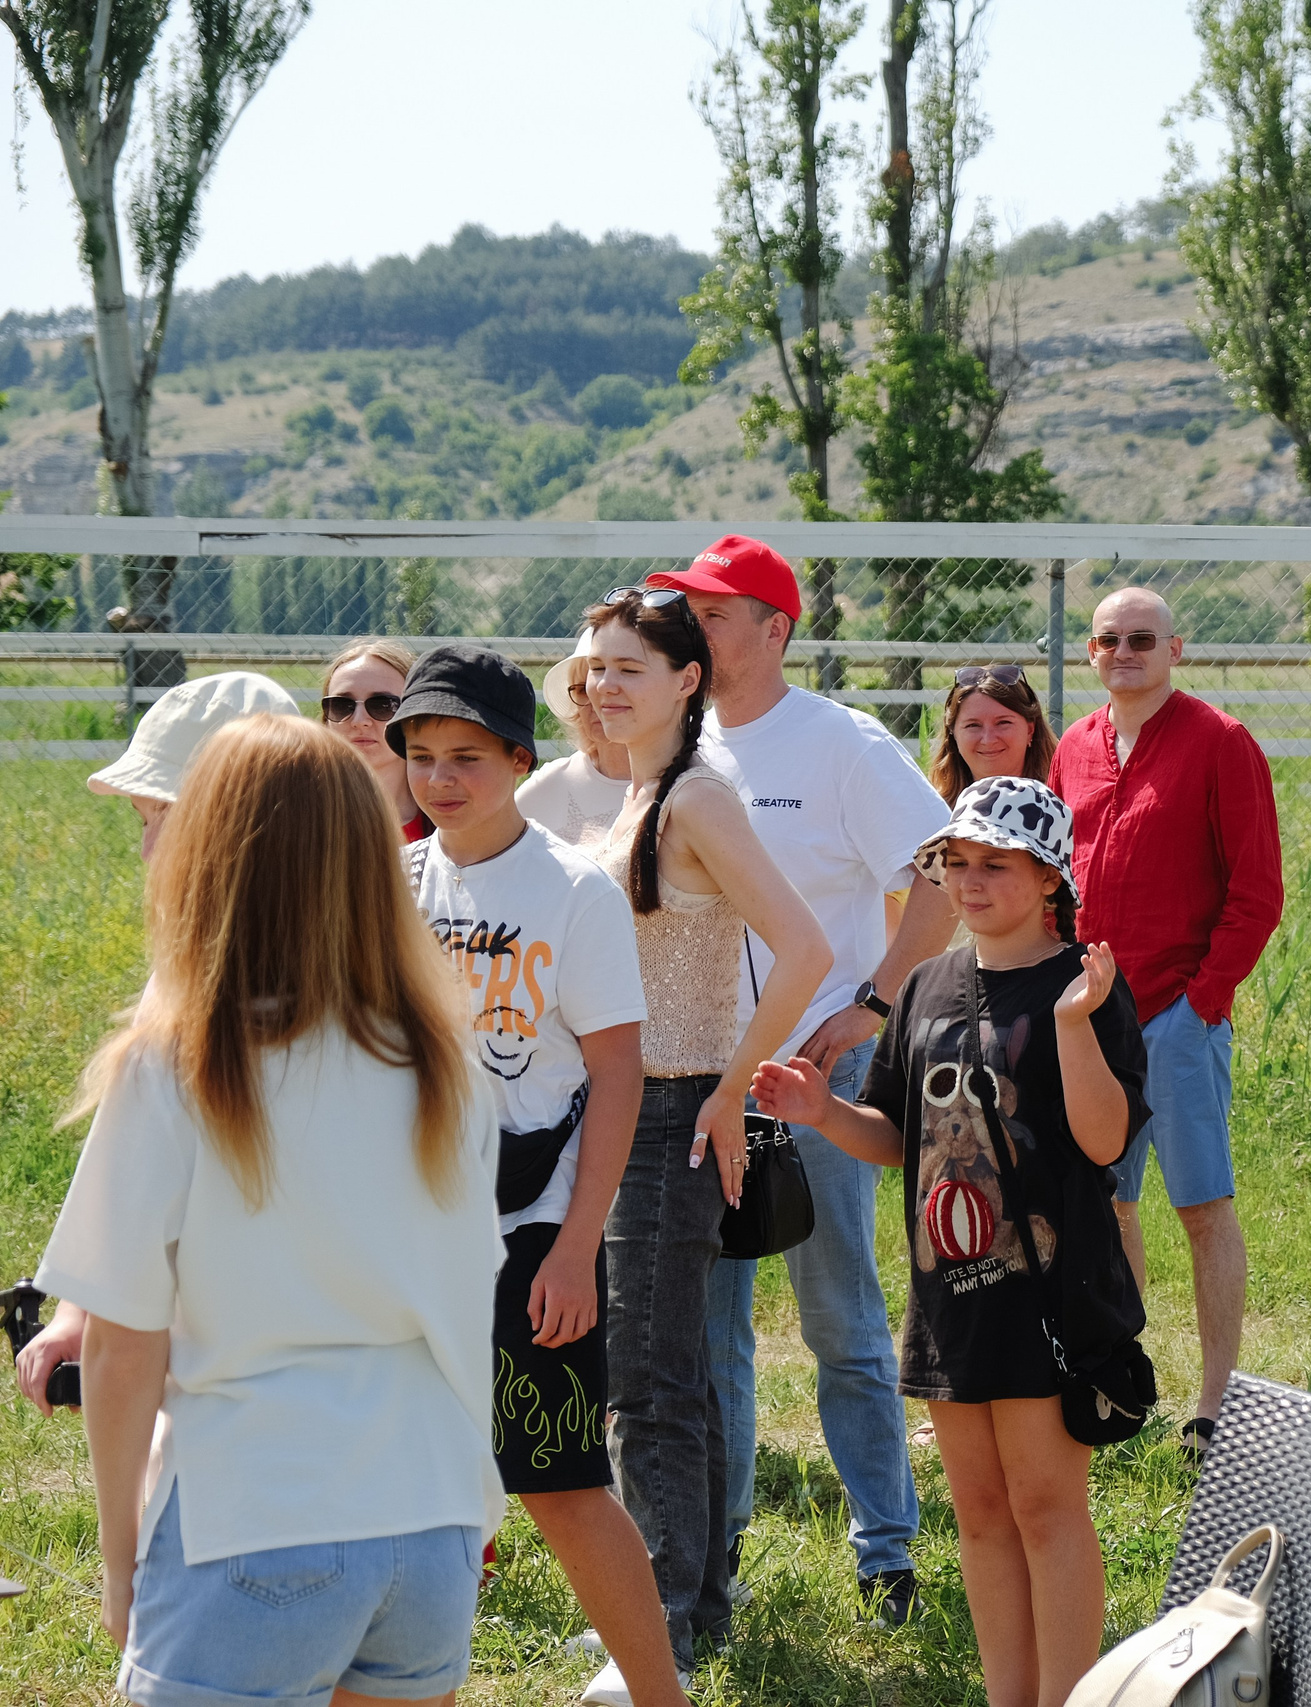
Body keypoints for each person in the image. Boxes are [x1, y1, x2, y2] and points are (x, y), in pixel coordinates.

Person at [36, 713, 506, 1707]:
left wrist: (121, 1559)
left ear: (209, 853)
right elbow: (471, 1294)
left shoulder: (172, 1067)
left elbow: (121, 1348)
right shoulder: (443, 1062)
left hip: (254, 1515)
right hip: (430, 1514)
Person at [752, 776, 1149, 1707]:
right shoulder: (929, 983)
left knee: (1047, 1508)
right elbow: (899, 1138)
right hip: (949, 1293)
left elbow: (1105, 1142)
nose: (969, 881)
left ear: (1050, 876)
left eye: (994, 864)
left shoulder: (1084, 985)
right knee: (977, 1512)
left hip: (1049, 1292)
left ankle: (1068, 1697)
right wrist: (823, 1111)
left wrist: (1073, 1025)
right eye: (955, 862)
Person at [644, 536, 955, 1624]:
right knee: (708, 1325)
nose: (695, 624)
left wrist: (866, 1007)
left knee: (838, 1316)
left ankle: (886, 1551)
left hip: (812, 1073)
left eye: (717, 611)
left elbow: (941, 881)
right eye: (686, 606)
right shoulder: (669, 742)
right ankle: (715, 1552)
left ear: (777, 629)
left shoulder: (840, 746)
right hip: (696, 1074)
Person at [390, 646, 688, 1707]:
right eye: (421, 755)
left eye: (466, 754)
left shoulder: (574, 893)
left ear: (520, 757)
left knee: (560, 1484)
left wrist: (575, 1245)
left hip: (530, 1230)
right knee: (410, 1485)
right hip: (407, 1226)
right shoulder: (390, 879)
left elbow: (617, 1072)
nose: (441, 778)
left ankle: (662, 1694)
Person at [584, 582, 832, 1684]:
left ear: (689, 680)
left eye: (629, 667)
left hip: (670, 1112)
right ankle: (700, 1599)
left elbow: (807, 947)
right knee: (668, 1368)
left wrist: (732, 1090)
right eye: (595, 668)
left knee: (645, 1381)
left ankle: (662, 1631)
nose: (605, 686)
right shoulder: (643, 795)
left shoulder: (693, 799)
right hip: (631, 1111)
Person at [15, 670, 301, 1411]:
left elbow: (125, 1275)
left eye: (155, 817)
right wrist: (77, 1309)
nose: (146, 851)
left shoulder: (195, 1003)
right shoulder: (190, 973)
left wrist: (95, 1313)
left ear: (225, 819)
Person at [1050, 586, 1283, 1453]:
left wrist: (1203, 1002)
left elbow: (1257, 892)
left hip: (1179, 1014)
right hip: (1091, 1015)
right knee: (1107, 1204)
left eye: (1142, 638)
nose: (1124, 652)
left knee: (1201, 1204)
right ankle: (1120, 1379)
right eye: (1108, 639)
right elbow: (1053, 879)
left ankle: (1215, 1401)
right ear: (1090, 654)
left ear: (1175, 648)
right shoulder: (1073, 748)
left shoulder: (1221, 743)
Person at [521, 623, 633, 848]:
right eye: (582, 690)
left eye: (610, 686)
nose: (598, 700)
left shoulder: (686, 787)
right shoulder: (552, 780)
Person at [324, 638, 429, 841]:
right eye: (341, 705)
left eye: (383, 705)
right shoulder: (302, 814)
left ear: (415, 716)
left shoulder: (448, 818)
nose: (359, 721)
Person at [930, 662, 1060, 805]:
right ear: (953, 733)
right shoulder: (935, 812)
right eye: (973, 725)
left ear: (1030, 730)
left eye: (1003, 723)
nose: (988, 740)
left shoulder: (1061, 808)